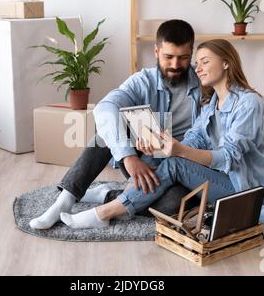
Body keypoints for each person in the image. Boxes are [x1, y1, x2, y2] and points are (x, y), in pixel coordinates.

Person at [59, 39, 264, 238]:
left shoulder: (249, 104)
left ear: (226, 62)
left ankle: (105, 211)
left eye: (205, 61)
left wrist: (178, 152)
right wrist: (161, 148)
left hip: (242, 188)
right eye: (198, 63)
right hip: (215, 178)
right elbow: (194, 139)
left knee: (174, 173)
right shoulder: (212, 103)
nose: (198, 68)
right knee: (167, 184)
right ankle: (104, 198)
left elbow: (229, 157)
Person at [29, 19, 203, 230]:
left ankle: (109, 196)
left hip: (178, 166)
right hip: (142, 159)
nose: (175, 65)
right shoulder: (143, 80)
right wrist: (128, 156)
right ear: (156, 51)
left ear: (191, 53)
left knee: (174, 206)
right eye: (168, 57)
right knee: (105, 133)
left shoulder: (205, 82)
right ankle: (64, 201)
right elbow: (106, 107)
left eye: (183, 58)